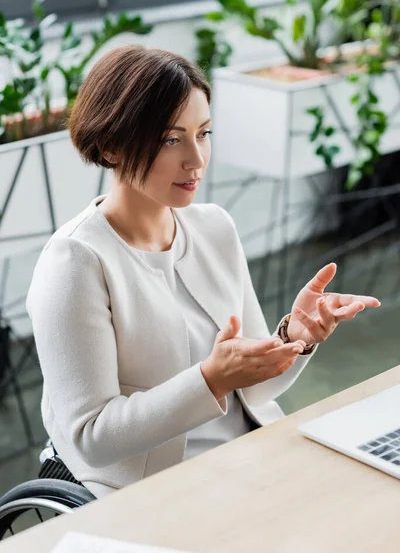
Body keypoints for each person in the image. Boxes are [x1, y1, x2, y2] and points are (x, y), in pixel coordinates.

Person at [26, 45, 381, 499]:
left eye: (204, 133)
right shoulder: (75, 262)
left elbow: (254, 388)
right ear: (111, 145)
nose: (196, 159)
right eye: (171, 139)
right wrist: (210, 378)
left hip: (249, 459)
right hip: (156, 489)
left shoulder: (214, 226)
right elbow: (93, 437)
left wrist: (296, 335)